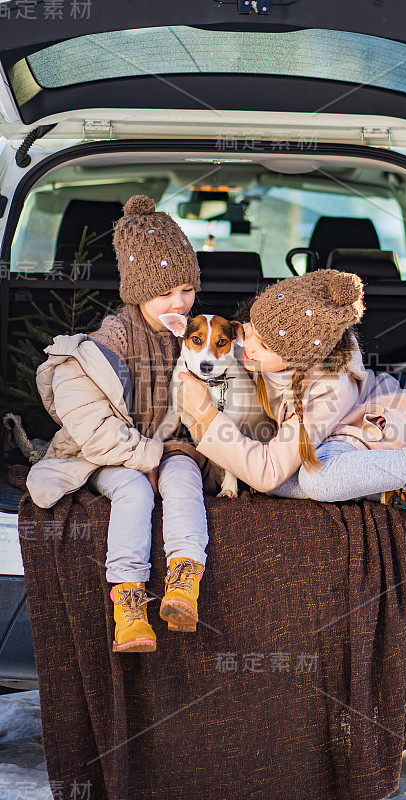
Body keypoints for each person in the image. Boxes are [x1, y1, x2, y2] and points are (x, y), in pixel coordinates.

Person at [177, 270, 406, 539]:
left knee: (312, 480)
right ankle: (405, 493)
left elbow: (267, 472)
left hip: (377, 430)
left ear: (295, 357)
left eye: (261, 344)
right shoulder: (251, 345)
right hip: (336, 443)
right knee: (263, 474)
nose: (244, 344)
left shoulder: (329, 388)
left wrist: (206, 415)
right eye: (250, 330)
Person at [26, 195, 210, 653]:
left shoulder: (194, 337)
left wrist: (184, 448)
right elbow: (96, 430)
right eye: (164, 293)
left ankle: (184, 579)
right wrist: (149, 457)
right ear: (137, 292)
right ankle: (128, 603)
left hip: (168, 449)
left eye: (187, 289)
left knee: (185, 476)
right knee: (135, 490)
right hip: (107, 455)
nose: (179, 302)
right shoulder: (105, 346)